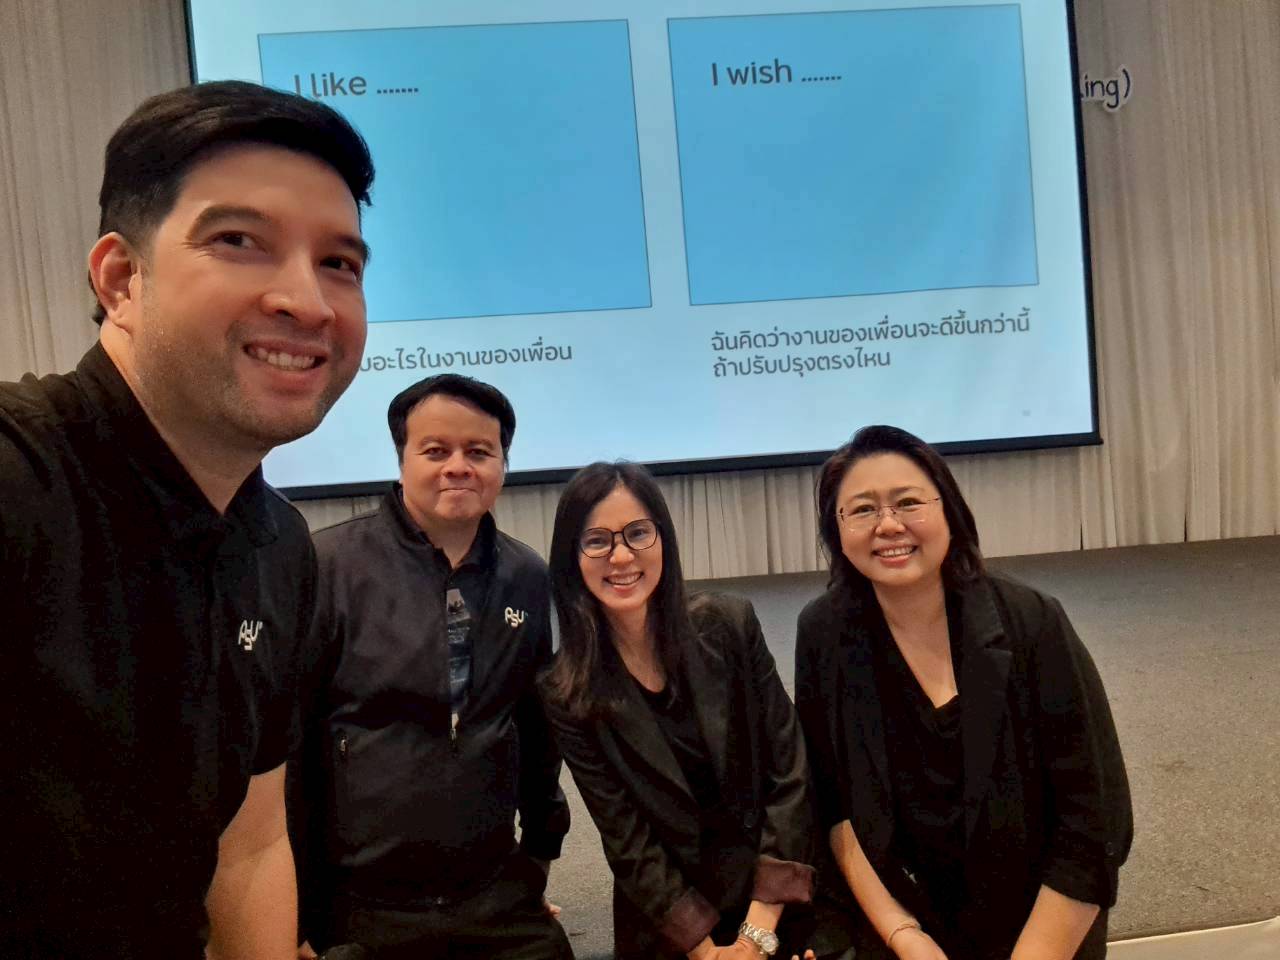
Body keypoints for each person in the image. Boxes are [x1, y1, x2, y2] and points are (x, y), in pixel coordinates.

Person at [0, 80, 374, 958]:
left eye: (340, 263)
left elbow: (250, 845)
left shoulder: (277, 546)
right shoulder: (20, 481)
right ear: (122, 280)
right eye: (239, 241)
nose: (309, 302)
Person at [794, 425, 1133, 960]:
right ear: (836, 530)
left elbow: (1094, 823)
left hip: (1038, 921)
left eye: (908, 502)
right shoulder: (824, 633)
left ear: (949, 509)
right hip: (905, 918)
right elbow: (834, 808)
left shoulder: (1031, 622)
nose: (888, 524)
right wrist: (903, 935)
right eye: (862, 510)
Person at [289, 373, 573, 959]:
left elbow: (536, 725)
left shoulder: (525, 574)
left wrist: (540, 853)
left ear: (502, 464)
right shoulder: (329, 566)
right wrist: (294, 911)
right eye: (436, 450)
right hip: (360, 901)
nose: (458, 467)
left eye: (479, 452)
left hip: (492, 889)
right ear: (402, 460)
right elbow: (289, 748)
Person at [541, 462, 850, 960]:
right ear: (570, 558)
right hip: (671, 921)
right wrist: (707, 951)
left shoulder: (730, 625)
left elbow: (789, 771)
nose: (621, 555)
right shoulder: (564, 689)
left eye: (638, 533)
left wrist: (755, 935)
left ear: (663, 538)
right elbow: (627, 839)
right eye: (596, 541)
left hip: (777, 894)